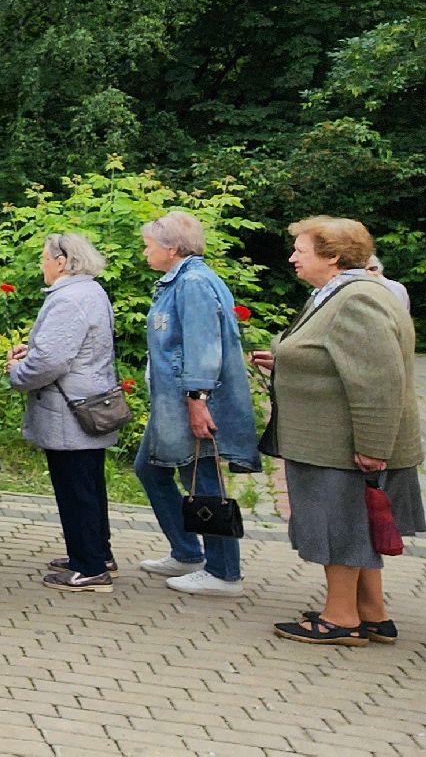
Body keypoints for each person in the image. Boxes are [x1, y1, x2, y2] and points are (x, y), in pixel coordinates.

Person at [253, 218, 425, 647]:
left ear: (332, 256)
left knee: (339, 527)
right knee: (354, 526)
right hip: (335, 442)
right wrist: (290, 362)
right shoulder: (341, 293)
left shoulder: (356, 300)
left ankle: (340, 619)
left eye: (300, 250)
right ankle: (372, 613)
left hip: (341, 446)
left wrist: (372, 447)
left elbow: (378, 379)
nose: (292, 257)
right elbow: (337, 357)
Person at [135, 210, 260, 597]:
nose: (145, 252)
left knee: (204, 480)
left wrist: (197, 399)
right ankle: (187, 552)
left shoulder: (193, 283)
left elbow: (204, 346)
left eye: (148, 246)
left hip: (193, 402)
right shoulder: (181, 281)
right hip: (173, 404)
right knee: (150, 469)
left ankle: (224, 573)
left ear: (172, 248)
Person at [6, 234, 121, 592]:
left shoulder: (68, 298)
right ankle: (97, 554)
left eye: (44, 258)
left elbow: (51, 361)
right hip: (89, 401)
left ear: (62, 261)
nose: (41, 264)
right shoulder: (91, 291)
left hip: (69, 409)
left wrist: (18, 372)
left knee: (75, 489)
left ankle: (89, 569)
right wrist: (35, 350)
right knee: (88, 485)